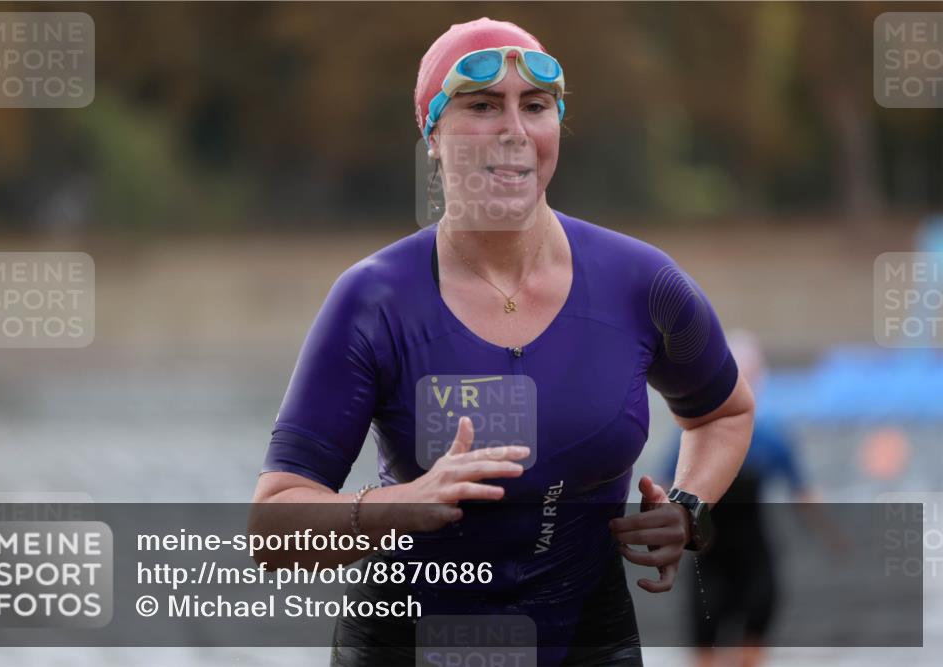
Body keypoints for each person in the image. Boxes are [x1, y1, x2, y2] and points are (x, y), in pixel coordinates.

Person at [249, 17, 754, 667]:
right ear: (433, 135)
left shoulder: (642, 284)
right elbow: (273, 527)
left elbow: (723, 411)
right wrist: (403, 504)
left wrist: (687, 509)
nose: (515, 130)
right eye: (483, 106)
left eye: (536, 106)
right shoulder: (373, 301)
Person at [659, 329, 838, 667]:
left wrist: (829, 531)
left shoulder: (770, 435)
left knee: (752, 643)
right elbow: (667, 486)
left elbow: (804, 491)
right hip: (709, 557)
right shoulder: (695, 433)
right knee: (704, 647)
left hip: (754, 556)